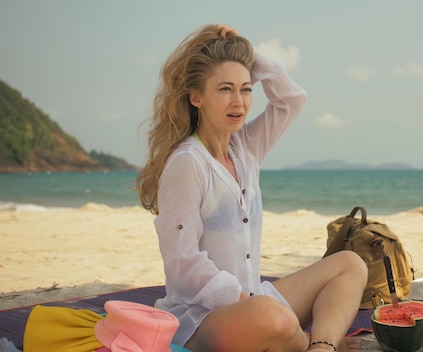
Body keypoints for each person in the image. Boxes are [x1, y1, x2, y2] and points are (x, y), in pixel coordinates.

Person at [136, 24, 367, 352]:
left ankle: (320, 348)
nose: (238, 102)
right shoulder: (188, 162)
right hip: (203, 318)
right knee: (273, 318)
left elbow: (291, 99)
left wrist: (246, 53)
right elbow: (183, 264)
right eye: (225, 89)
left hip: (256, 300)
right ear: (196, 97)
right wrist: (245, 301)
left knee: (351, 264)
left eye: (246, 89)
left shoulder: (246, 148)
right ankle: (309, 341)